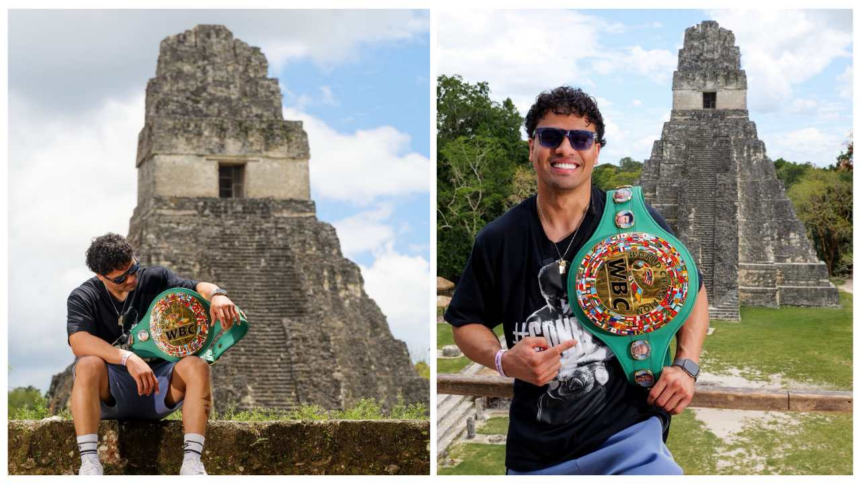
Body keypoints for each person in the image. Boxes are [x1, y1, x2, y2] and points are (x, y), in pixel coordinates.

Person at [444, 86, 710, 475]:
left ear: (596, 150)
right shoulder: (499, 239)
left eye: (581, 138)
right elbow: (466, 322)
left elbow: (693, 290)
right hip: (536, 455)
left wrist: (686, 366)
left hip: (630, 441)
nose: (565, 148)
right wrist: (503, 360)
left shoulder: (630, 224)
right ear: (532, 146)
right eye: (551, 136)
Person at [67, 233, 242, 475]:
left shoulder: (155, 278)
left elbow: (197, 287)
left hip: (161, 388)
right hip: (113, 392)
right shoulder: (84, 296)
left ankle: (192, 463)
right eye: (120, 278)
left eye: (133, 269)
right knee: (87, 364)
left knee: (196, 365)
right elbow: (78, 341)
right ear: (101, 276)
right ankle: (89, 463)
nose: (131, 279)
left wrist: (218, 295)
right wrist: (127, 358)